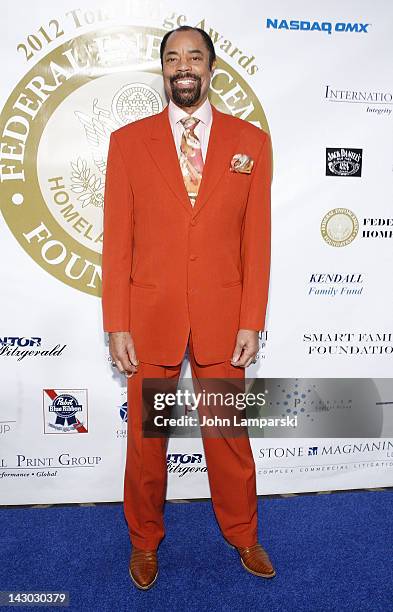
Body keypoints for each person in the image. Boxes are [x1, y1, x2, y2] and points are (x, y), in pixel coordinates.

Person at [102, 25, 274, 590]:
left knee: (228, 436)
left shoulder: (251, 140)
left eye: (194, 57)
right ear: (162, 70)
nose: (184, 67)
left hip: (225, 319)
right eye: (173, 58)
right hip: (150, 317)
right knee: (148, 443)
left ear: (211, 67)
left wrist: (252, 318)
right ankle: (144, 543)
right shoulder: (128, 143)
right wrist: (117, 324)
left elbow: (257, 240)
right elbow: (117, 240)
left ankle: (245, 535)